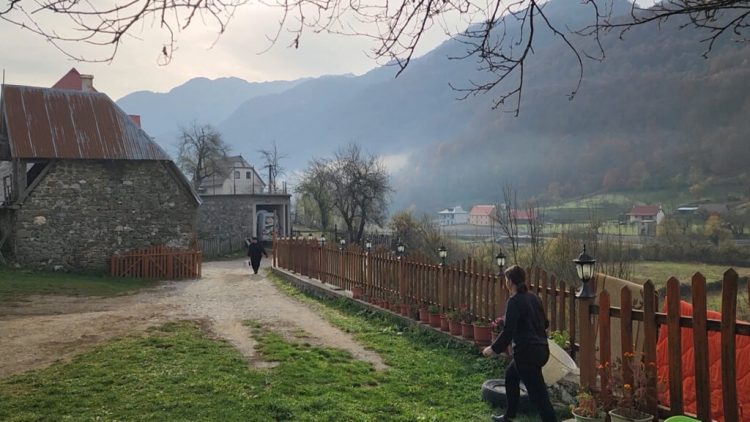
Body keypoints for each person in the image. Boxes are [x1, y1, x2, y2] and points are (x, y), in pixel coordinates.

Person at [482, 265, 556, 422]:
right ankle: (509, 416)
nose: (505, 283)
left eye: (506, 280)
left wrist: (493, 349)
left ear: (510, 282)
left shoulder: (514, 301)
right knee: (511, 376)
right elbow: (546, 323)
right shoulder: (534, 298)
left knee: (540, 397)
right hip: (542, 350)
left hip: (527, 354)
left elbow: (509, 331)